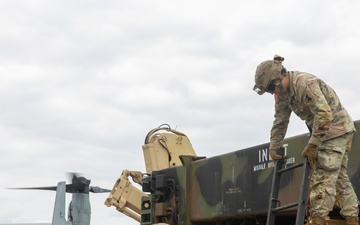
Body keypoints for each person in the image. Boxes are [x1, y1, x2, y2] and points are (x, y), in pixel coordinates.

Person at [253, 55, 359, 225]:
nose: (272, 93)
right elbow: (280, 121)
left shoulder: (304, 84)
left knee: (323, 176)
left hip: (336, 130)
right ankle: (353, 219)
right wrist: (274, 146)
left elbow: (324, 115)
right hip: (326, 132)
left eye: (271, 88)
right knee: (339, 178)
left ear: (279, 78)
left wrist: (313, 143)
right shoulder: (282, 95)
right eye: (269, 91)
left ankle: (317, 220)